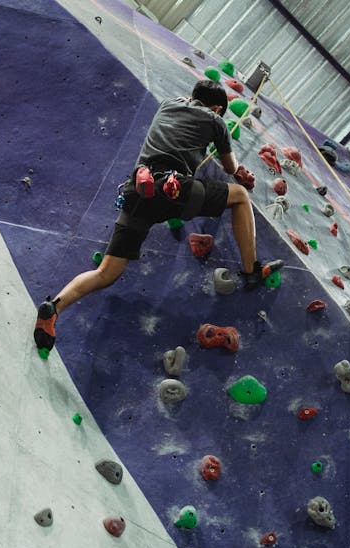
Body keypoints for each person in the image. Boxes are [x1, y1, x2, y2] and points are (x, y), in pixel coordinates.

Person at [33, 79, 283, 358]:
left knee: (106, 272)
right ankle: (251, 271)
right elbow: (230, 167)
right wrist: (241, 173)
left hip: (137, 192)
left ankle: (53, 308)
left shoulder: (168, 105)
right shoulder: (216, 120)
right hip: (176, 190)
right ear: (216, 107)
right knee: (239, 196)